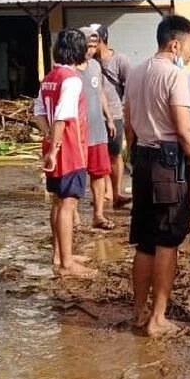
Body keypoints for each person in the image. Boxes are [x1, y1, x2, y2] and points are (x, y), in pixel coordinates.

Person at [124, 15, 190, 337]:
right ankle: (158, 319)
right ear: (175, 44)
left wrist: (134, 156)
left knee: (145, 242)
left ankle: (139, 313)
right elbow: (183, 131)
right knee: (168, 242)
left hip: (142, 160)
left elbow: (128, 126)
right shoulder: (176, 76)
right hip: (168, 164)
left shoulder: (136, 73)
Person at [33, 29, 92, 277]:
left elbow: (37, 111)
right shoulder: (72, 79)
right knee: (68, 204)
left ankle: (59, 255)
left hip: (54, 147)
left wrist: (48, 139)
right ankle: (67, 263)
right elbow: (62, 117)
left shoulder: (49, 77)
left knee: (58, 202)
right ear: (77, 51)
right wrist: (56, 149)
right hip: (70, 150)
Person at [78, 27, 117, 230]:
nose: (91, 50)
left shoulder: (95, 66)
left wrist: (109, 118)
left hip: (97, 129)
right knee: (75, 174)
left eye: (94, 46)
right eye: (88, 45)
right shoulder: (68, 68)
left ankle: (98, 215)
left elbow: (100, 91)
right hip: (76, 133)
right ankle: (73, 215)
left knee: (99, 173)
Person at [94, 25, 133, 209]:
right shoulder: (89, 61)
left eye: (93, 39)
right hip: (95, 116)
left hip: (115, 114)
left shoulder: (120, 60)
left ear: (101, 39)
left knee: (115, 155)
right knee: (98, 156)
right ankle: (106, 191)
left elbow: (130, 87)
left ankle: (116, 192)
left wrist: (127, 112)